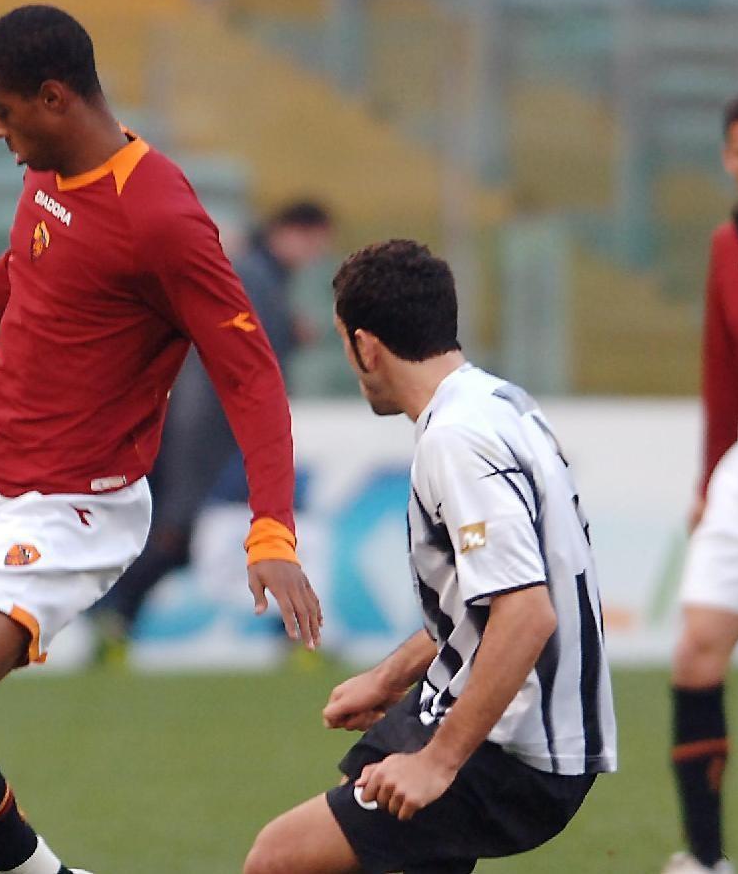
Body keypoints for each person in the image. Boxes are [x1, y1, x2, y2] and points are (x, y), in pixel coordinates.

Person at [0, 5, 321, 874]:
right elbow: (19, 275)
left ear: (53, 98)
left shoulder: (161, 218)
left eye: (1, 112)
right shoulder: (51, 174)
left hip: (73, 506)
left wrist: (273, 528)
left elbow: (252, 373)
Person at [244, 239, 617, 874]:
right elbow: (495, 594)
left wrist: (437, 762)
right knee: (372, 806)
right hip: (511, 722)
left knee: (278, 859)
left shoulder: (457, 441)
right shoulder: (502, 404)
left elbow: (527, 613)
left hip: (517, 748)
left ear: (366, 345)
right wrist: (389, 680)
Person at [89, 200, 332, 662]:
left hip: (209, 420)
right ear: (292, 232)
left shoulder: (260, 276)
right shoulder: (254, 275)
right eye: (314, 243)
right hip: (216, 426)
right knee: (197, 532)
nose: (314, 255)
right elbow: (245, 355)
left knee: (199, 533)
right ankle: (113, 613)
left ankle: (115, 616)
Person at [665, 93, 738, 874]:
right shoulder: (727, 245)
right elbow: (724, 371)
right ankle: (708, 858)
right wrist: (709, 476)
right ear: (728, 157)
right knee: (695, 653)